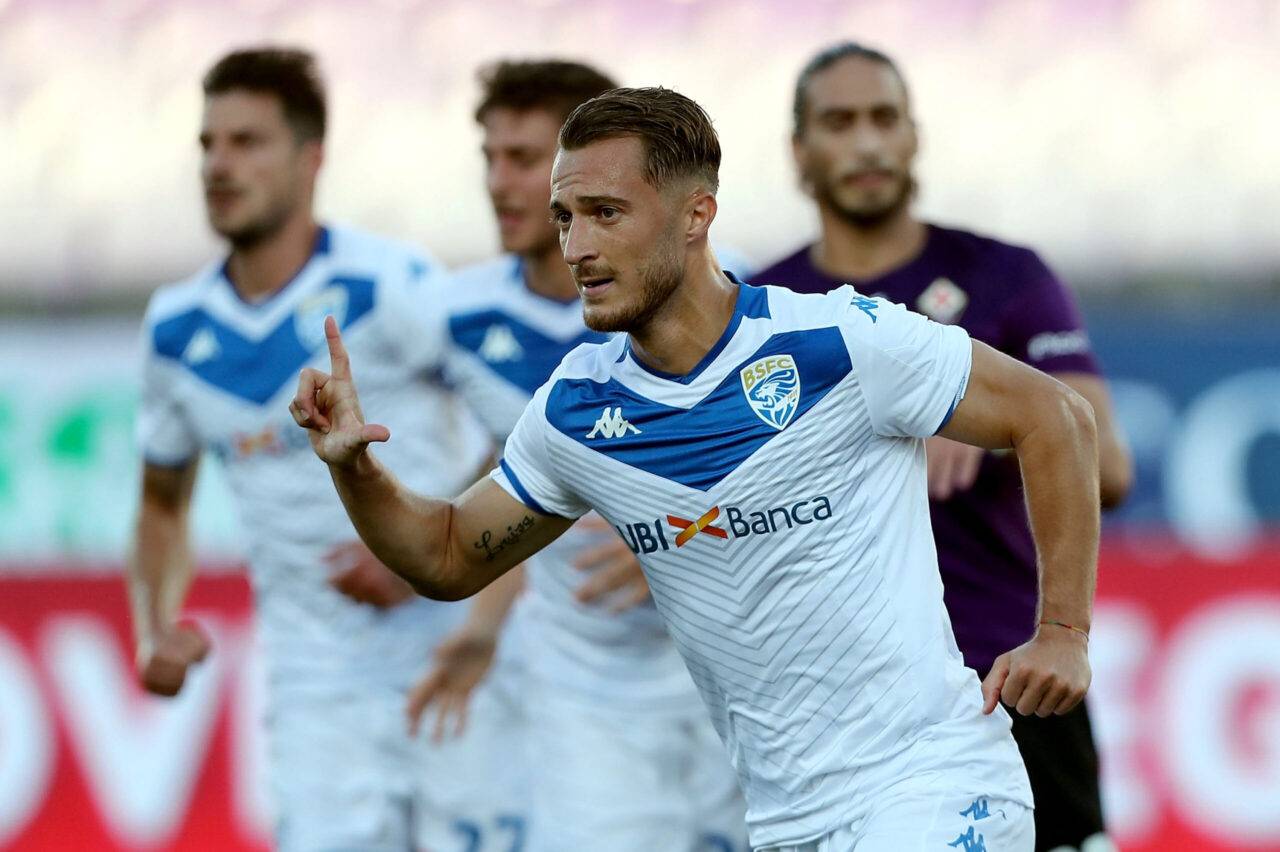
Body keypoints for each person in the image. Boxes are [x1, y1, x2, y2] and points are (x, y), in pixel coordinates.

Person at [291, 86, 1103, 852]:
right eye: (566, 217)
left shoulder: (838, 340)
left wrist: (1063, 634)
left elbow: (1055, 415)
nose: (577, 247)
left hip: (934, 783)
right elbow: (446, 555)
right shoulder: (575, 412)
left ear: (696, 215)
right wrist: (354, 468)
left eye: (606, 213)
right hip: (786, 820)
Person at [754, 42, 1132, 852]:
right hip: (840, 707)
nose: (867, 142)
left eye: (884, 118)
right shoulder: (766, 307)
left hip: (1008, 672)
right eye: (839, 122)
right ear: (799, 151)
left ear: (914, 136)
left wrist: (991, 432)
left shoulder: (1005, 277)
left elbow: (1108, 465)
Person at [128, 47, 500, 851]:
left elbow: (522, 430)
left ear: (311, 157)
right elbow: (161, 501)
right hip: (315, 693)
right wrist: (154, 627)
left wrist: (432, 544)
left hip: (460, 659)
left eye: (247, 141)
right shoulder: (176, 329)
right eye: (208, 144)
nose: (219, 165)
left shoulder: (390, 283)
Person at [405, 60, 748, 852]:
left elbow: (795, 455)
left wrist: (679, 529)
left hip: (731, 675)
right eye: (491, 158)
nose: (500, 183)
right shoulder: (455, 314)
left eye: (524, 159)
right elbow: (518, 469)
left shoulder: (727, 296)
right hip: (583, 690)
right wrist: (475, 609)